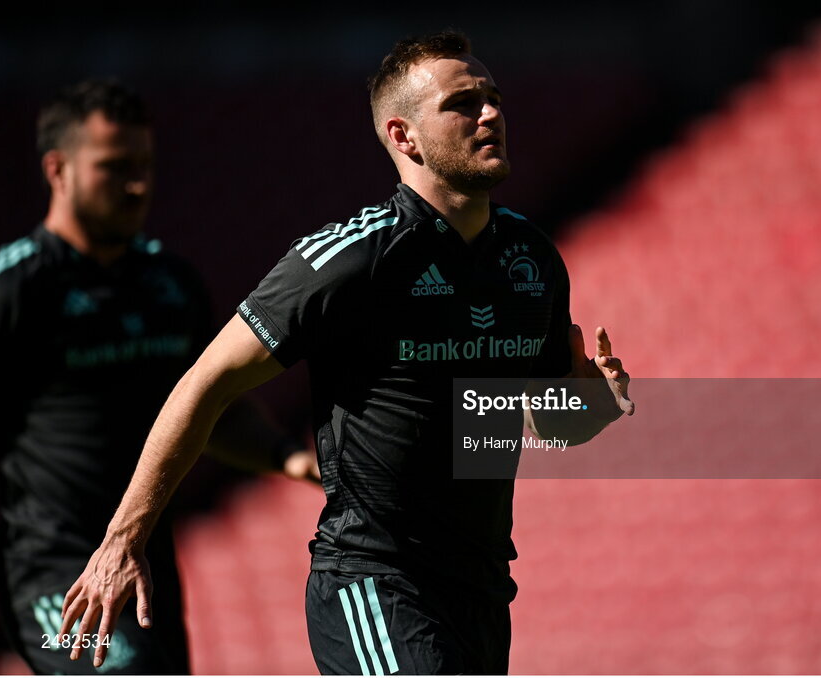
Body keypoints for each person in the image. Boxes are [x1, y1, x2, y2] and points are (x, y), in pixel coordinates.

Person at [60, 32, 634, 674]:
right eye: (463, 103)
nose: (491, 114)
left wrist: (591, 405)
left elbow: (535, 420)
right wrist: (124, 537)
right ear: (403, 135)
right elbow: (206, 382)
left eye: (494, 98)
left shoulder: (532, 260)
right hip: (375, 581)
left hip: (482, 592)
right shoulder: (350, 259)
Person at [0, 78, 318, 674]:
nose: (138, 184)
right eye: (115, 167)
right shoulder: (12, 290)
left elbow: (212, 407)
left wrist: (290, 458)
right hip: (54, 572)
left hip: (147, 566)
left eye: (145, 165)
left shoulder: (172, 282)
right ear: (56, 170)